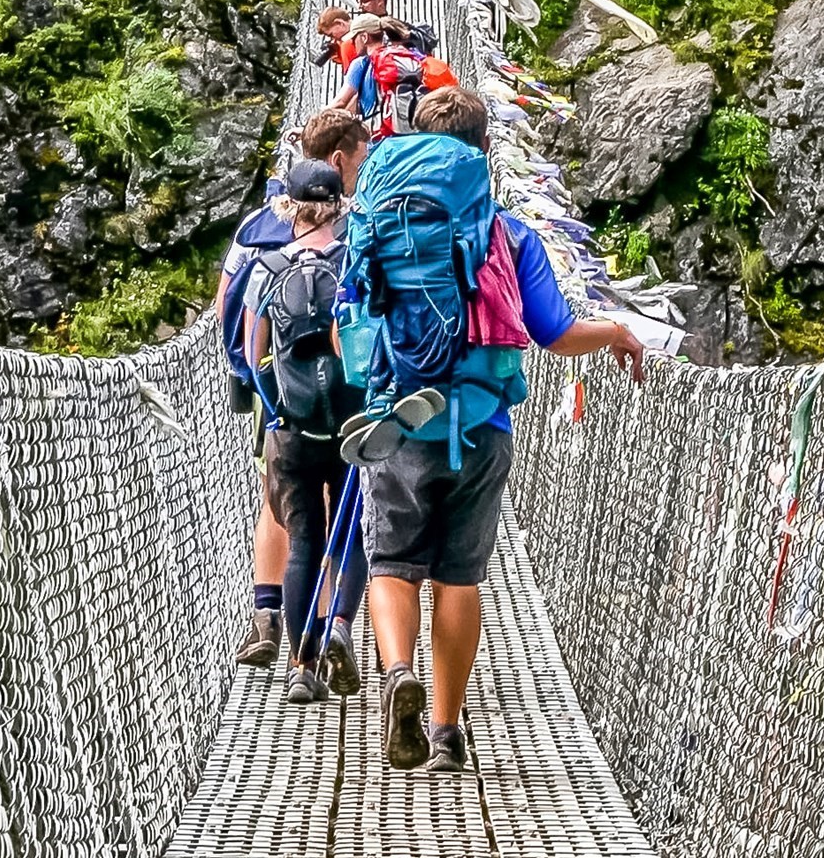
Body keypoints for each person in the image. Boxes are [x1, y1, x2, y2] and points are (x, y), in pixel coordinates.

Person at [362, 86, 648, 776]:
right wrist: (616, 330)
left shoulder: (382, 217)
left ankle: (400, 670)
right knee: (460, 576)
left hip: (401, 419)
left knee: (391, 563)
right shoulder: (509, 233)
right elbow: (554, 332)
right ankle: (446, 732)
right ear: (487, 151)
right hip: (483, 424)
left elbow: (354, 314)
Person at [220, 108, 374, 666]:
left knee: (296, 524)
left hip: (288, 414)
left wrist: (260, 393)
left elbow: (241, 332)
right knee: (350, 526)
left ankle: (294, 652)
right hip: (353, 416)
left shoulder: (259, 250)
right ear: (338, 193)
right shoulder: (357, 250)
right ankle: (339, 625)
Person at [246, 159, 368, 703]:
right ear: (340, 207)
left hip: (292, 430)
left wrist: (275, 406)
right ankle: (340, 625)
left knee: (303, 545)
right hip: (354, 426)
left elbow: (251, 356)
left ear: (287, 207)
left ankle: (301, 663)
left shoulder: (266, 268)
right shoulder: (355, 263)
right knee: (351, 538)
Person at [331, 18, 457, 134]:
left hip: (380, 136)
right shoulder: (408, 58)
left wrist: (317, 121)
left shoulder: (360, 64)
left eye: (354, 38)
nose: (352, 43)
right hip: (416, 131)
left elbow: (341, 102)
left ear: (364, 37)